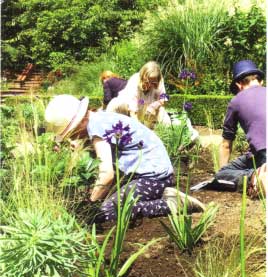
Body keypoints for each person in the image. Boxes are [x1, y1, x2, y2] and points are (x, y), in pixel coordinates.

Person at [45, 94, 205, 223]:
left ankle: (172, 203)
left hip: (153, 177)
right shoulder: (100, 119)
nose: (72, 136)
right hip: (148, 174)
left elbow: (107, 175)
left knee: (107, 212)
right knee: (110, 201)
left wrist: (90, 205)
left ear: (81, 122)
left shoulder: (96, 127)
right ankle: (161, 195)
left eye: (71, 132)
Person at [215, 59, 266, 196]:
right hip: (259, 155)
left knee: (222, 174)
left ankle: (255, 177)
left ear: (239, 85)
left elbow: (226, 144)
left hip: (263, 153)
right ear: (260, 81)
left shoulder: (236, 101)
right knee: (251, 158)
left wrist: (221, 174)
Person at [106, 61, 171, 127]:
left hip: (144, 107)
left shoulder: (159, 79)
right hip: (123, 108)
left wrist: (154, 105)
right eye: (148, 82)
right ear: (143, 78)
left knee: (166, 121)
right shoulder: (135, 81)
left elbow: (164, 99)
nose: (150, 85)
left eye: (153, 83)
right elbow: (133, 111)